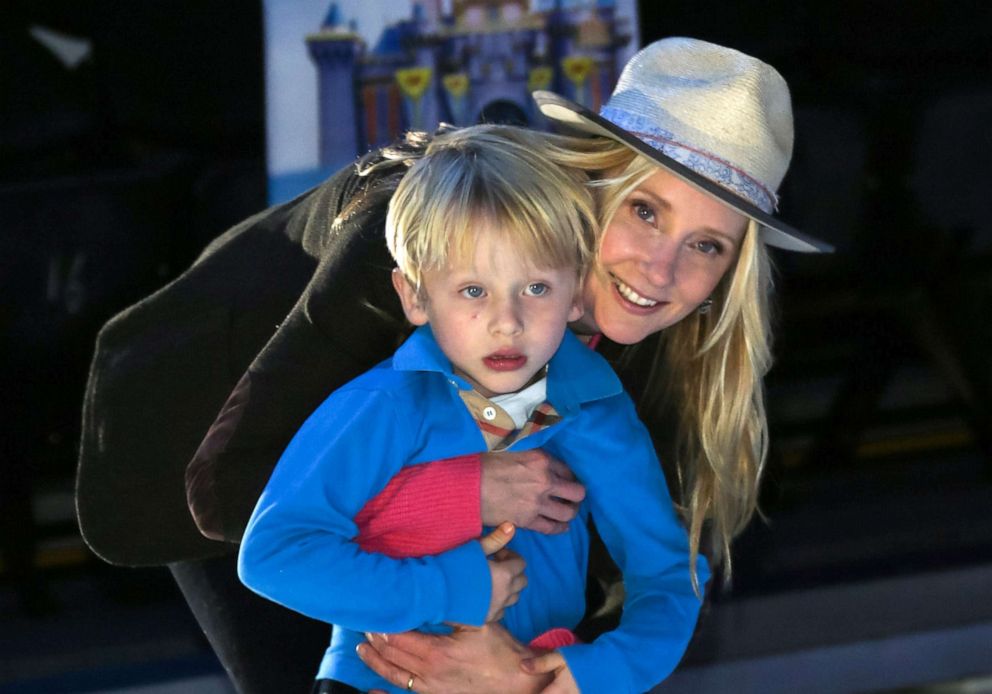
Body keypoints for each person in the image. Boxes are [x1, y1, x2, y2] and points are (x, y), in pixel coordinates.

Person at [76, 37, 832, 694]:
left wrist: (533, 674)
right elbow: (242, 495)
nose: (661, 270)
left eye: (708, 245)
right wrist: (466, 496)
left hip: (409, 516)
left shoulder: (653, 326)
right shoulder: (422, 236)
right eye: (644, 210)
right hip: (221, 454)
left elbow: (625, 561)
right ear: (588, 181)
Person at [237, 124, 708, 694]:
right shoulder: (381, 406)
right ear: (414, 295)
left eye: (536, 288)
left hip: (530, 679)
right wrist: (448, 587)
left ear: (577, 291)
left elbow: (666, 570)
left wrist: (602, 672)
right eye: (473, 291)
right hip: (379, 682)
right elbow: (274, 555)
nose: (506, 321)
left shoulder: (596, 409)